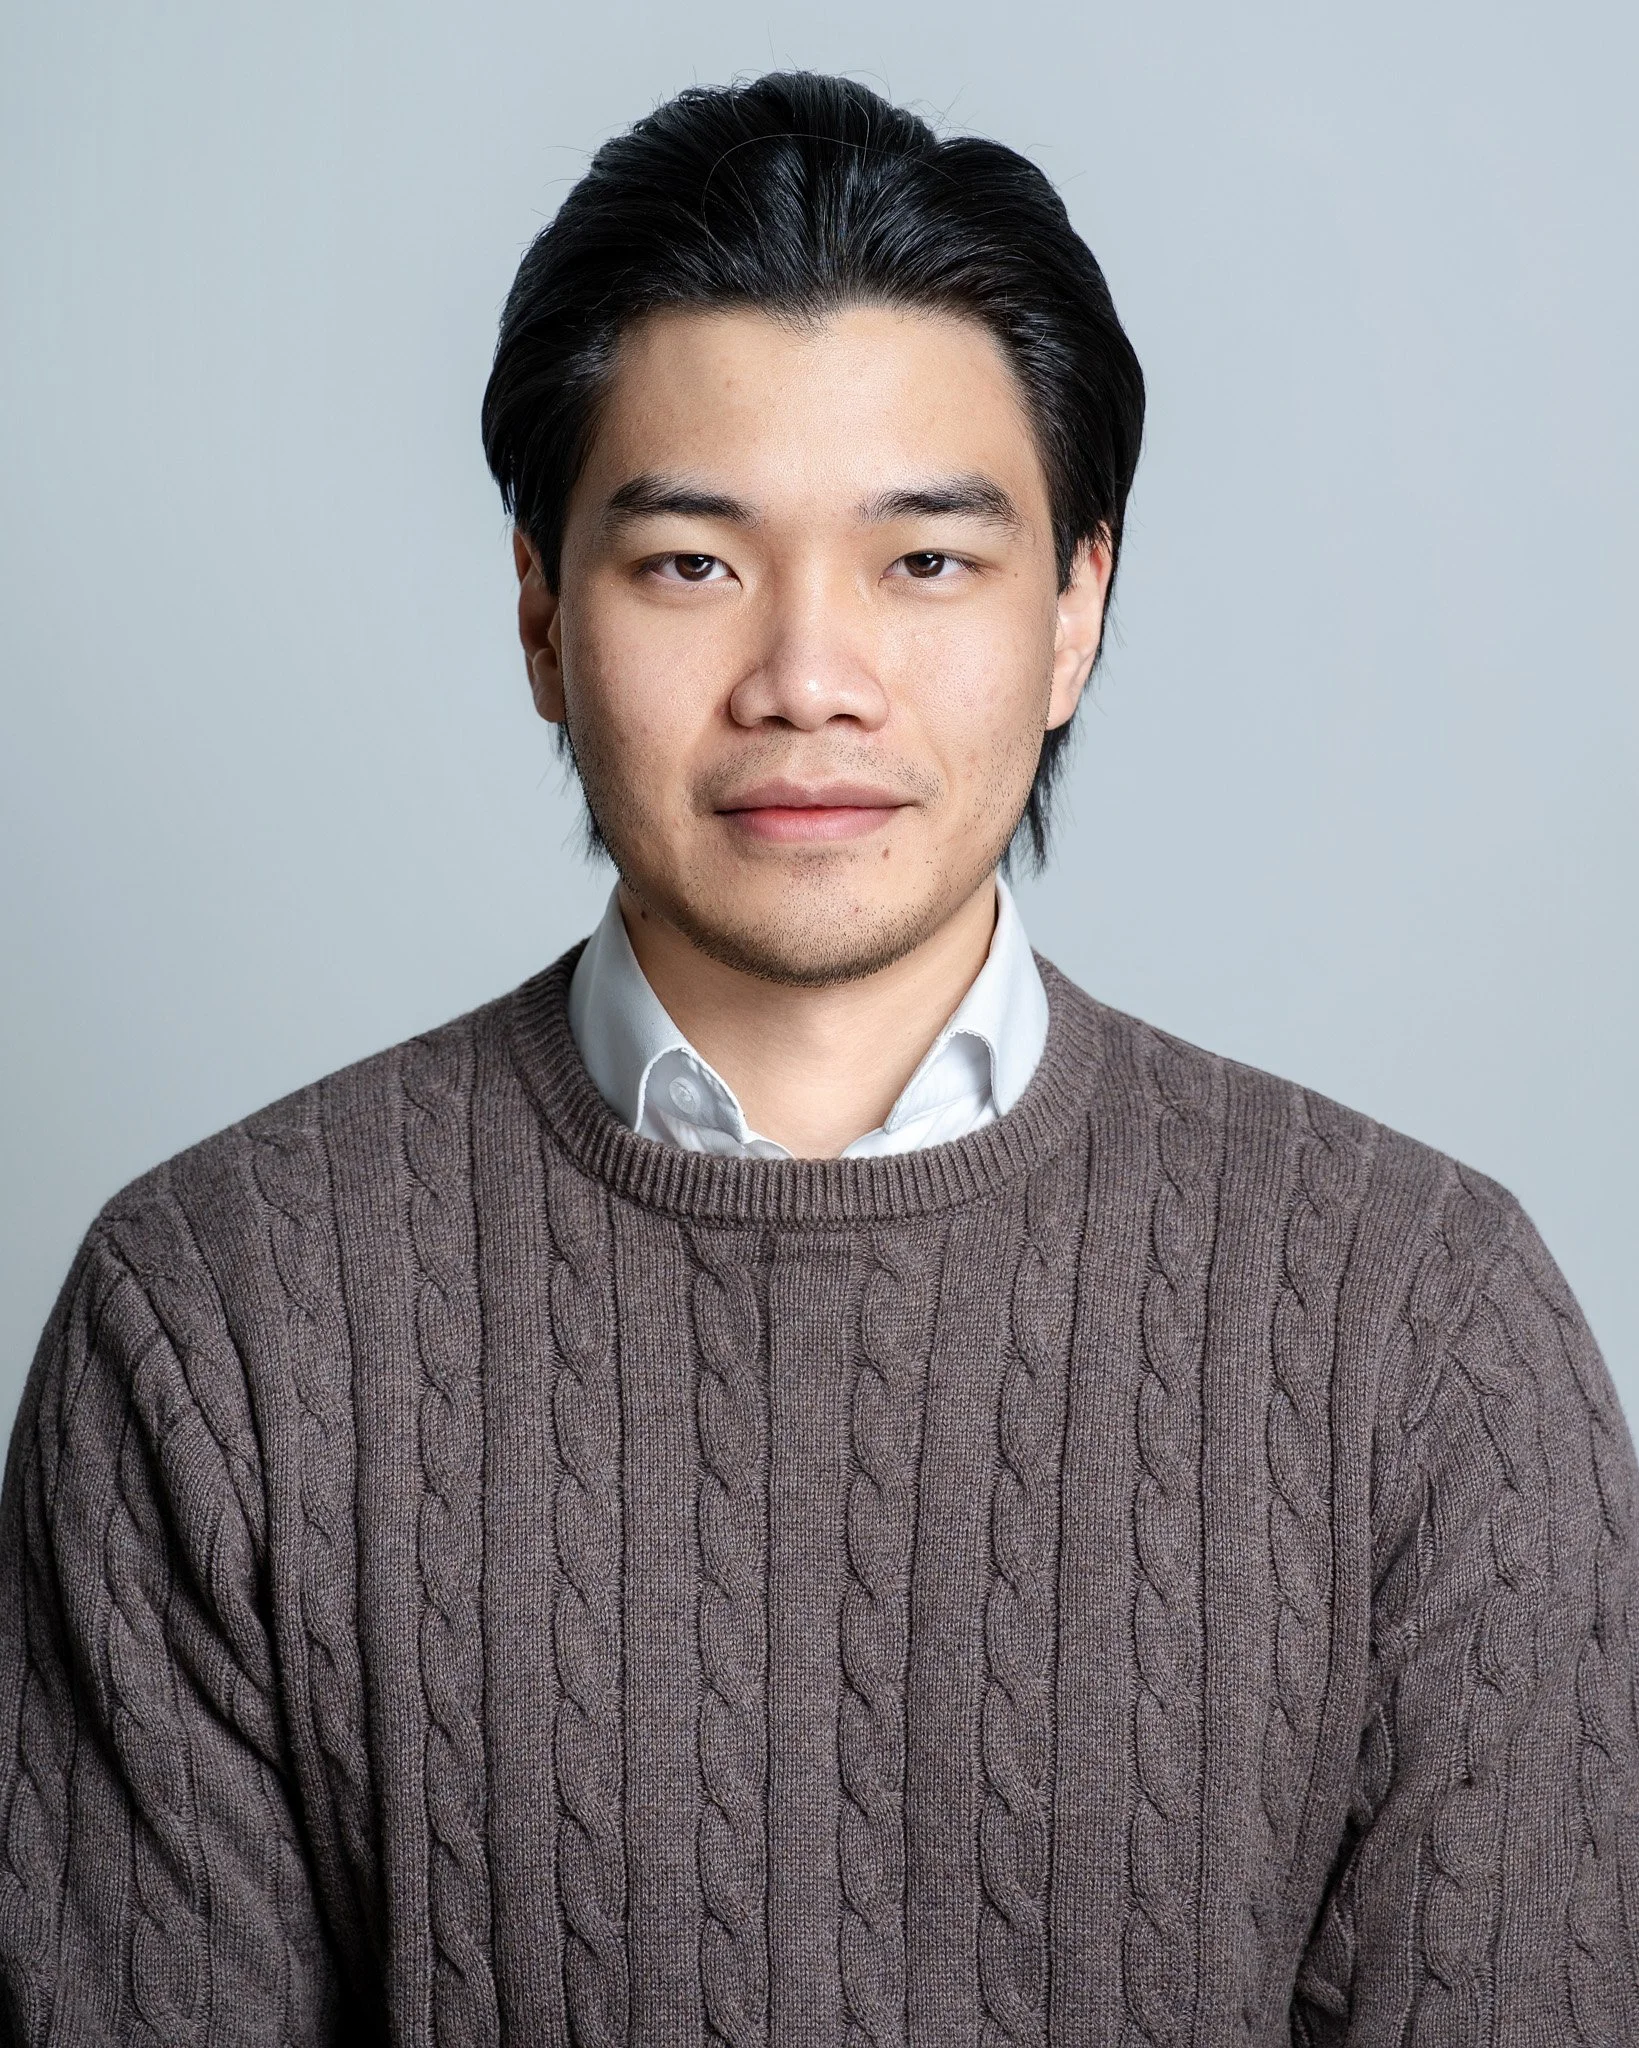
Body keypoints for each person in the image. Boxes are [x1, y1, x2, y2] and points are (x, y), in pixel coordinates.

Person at [0, 69, 1633, 2047]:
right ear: (538, 611)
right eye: (692, 560)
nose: (808, 676)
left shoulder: (1419, 1331)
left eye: (925, 560)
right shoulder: (218, 1325)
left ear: (1076, 613)